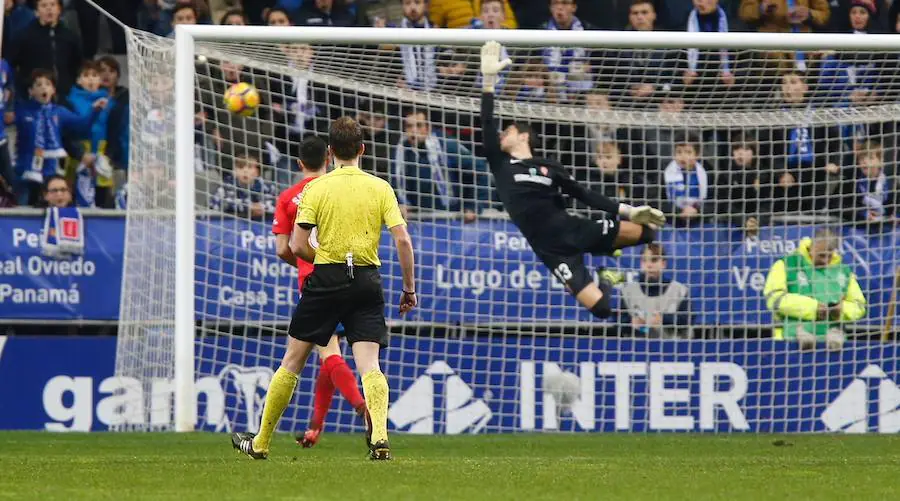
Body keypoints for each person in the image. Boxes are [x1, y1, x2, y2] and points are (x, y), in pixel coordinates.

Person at [232, 117, 416, 461]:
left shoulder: (315, 189)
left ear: (330, 153)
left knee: (292, 361)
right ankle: (379, 438)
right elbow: (403, 239)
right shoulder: (380, 187)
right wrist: (409, 288)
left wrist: (327, 259)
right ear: (363, 149)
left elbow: (297, 246)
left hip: (326, 279)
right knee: (370, 365)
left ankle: (261, 442)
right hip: (366, 280)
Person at [479, 41, 665, 319]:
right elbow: (486, 123)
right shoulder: (502, 165)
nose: (502, 134)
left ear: (523, 136)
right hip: (553, 251)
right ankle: (609, 275)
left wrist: (629, 210)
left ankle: (609, 247)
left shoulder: (549, 167)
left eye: (509, 130)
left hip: (575, 228)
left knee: (648, 232)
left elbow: (584, 194)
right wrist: (489, 82)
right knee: (601, 308)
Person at [270, 136, 368, 448]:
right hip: (351, 274)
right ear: (328, 157)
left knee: (323, 352)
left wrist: (301, 263)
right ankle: (316, 426)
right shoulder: (339, 188)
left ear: (299, 163)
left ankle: (364, 408)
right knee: (329, 351)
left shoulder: (289, 196)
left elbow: (284, 249)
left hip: (315, 281)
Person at [763, 228, 866, 351]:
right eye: (821, 255)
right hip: (788, 343)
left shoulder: (844, 271)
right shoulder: (786, 264)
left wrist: (841, 310)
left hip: (833, 344)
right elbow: (774, 299)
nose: (825, 260)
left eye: (829, 255)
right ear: (811, 247)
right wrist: (814, 308)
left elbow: (859, 306)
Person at [618, 243, 694, 339]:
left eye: (654, 260)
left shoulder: (680, 291)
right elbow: (618, 322)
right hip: (637, 349)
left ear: (663, 263)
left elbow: (688, 320)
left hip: (672, 349)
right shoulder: (627, 292)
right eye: (644, 261)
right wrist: (630, 323)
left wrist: (664, 319)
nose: (649, 265)